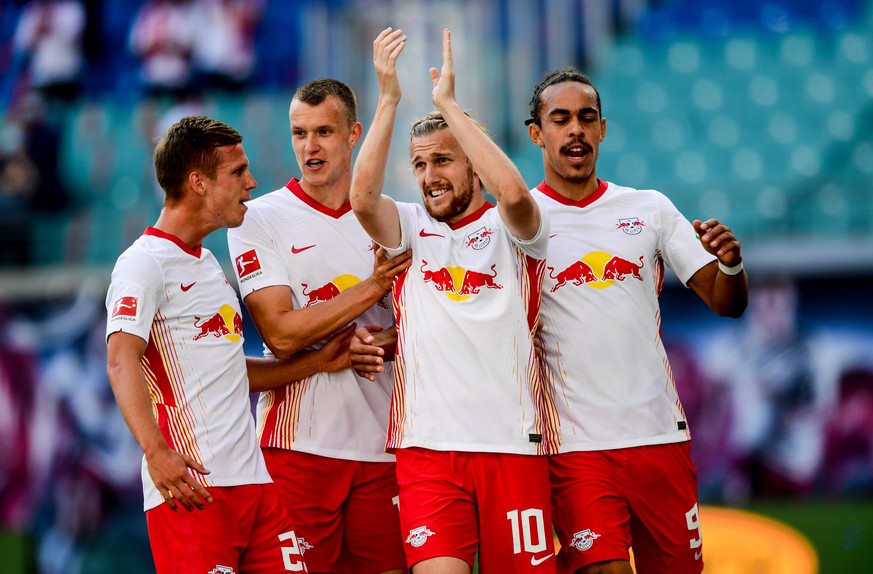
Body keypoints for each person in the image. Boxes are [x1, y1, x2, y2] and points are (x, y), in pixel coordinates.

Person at [105, 115, 354, 573]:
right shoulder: (142, 264)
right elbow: (121, 362)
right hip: (193, 488)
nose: (252, 182)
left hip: (256, 487)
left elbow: (227, 369)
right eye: (238, 172)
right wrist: (155, 452)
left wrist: (317, 363)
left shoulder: (207, 266)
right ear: (198, 183)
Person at [524, 67, 749, 574]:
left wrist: (731, 263)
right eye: (560, 119)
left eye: (586, 118)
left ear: (603, 128)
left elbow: (726, 301)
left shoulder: (649, 209)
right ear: (537, 133)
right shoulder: (519, 222)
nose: (575, 129)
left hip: (659, 440)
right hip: (577, 447)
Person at [350, 28, 558, 573]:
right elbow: (362, 198)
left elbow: (512, 193)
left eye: (442, 161)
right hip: (428, 449)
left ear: (472, 164)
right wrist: (389, 98)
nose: (428, 177)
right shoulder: (414, 228)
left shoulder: (515, 229)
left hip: (514, 445)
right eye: (419, 166)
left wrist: (448, 106)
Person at [225, 77, 412, 573]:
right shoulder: (259, 219)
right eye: (299, 133)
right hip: (297, 447)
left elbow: (419, 323)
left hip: (383, 446)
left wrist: (385, 339)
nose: (310, 147)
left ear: (353, 135)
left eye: (324, 132)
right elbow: (280, 335)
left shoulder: (395, 218)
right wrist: (372, 288)